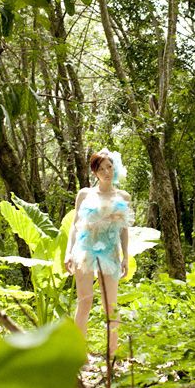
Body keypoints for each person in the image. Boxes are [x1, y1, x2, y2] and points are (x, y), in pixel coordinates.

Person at [65, 148, 132, 357]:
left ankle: (112, 353)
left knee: (110, 305)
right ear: (95, 172)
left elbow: (124, 230)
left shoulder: (123, 196)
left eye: (109, 167)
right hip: (84, 250)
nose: (106, 172)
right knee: (84, 301)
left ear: (115, 168)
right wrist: (68, 253)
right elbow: (75, 226)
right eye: (101, 169)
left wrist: (126, 256)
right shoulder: (84, 194)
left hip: (110, 252)